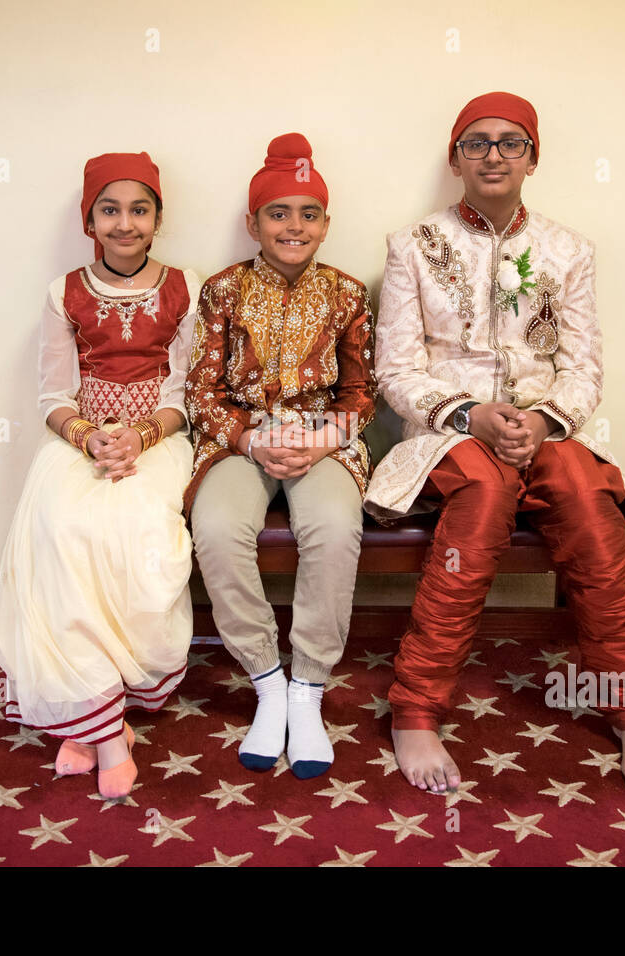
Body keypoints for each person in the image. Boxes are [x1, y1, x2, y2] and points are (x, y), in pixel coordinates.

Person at [365, 92, 625, 795]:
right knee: (484, 490)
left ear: (534, 157)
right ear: (456, 158)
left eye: (511, 142)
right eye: (476, 143)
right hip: (450, 436)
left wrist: (544, 420)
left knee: (586, 493)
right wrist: (469, 413)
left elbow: (584, 367)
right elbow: (396, 369)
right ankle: (415, 709)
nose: (494, 155)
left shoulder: (569, 250)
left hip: (545, 428)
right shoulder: (411, 245)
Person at [0, 152, 199, 799]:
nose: (125, 223)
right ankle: (105, 729)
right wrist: (90, 437)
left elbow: (188, 390)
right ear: (90, 220)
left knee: (137, 530)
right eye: (109, 209)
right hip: (80, 439)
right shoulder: (64, 291)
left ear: (158, 217)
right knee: (61, 527)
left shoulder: (187, 286)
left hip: (160, 441)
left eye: (139, 209)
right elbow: (52, 395)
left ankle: (89, 717)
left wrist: (139, 436)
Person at [186, 133, 377, 780]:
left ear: (326, 223)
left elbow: (362, 394)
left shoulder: (348, 294)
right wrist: (249, 439)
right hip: (239, 439)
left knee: (333, 525)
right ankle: (267, 680)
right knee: (215, 527)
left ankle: (309, 689)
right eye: (278, 213)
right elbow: (201, 391)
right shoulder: (221, 292)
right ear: (252, 223)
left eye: (309, 213)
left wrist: (323, 439)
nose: (294, 226)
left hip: (323, 438)